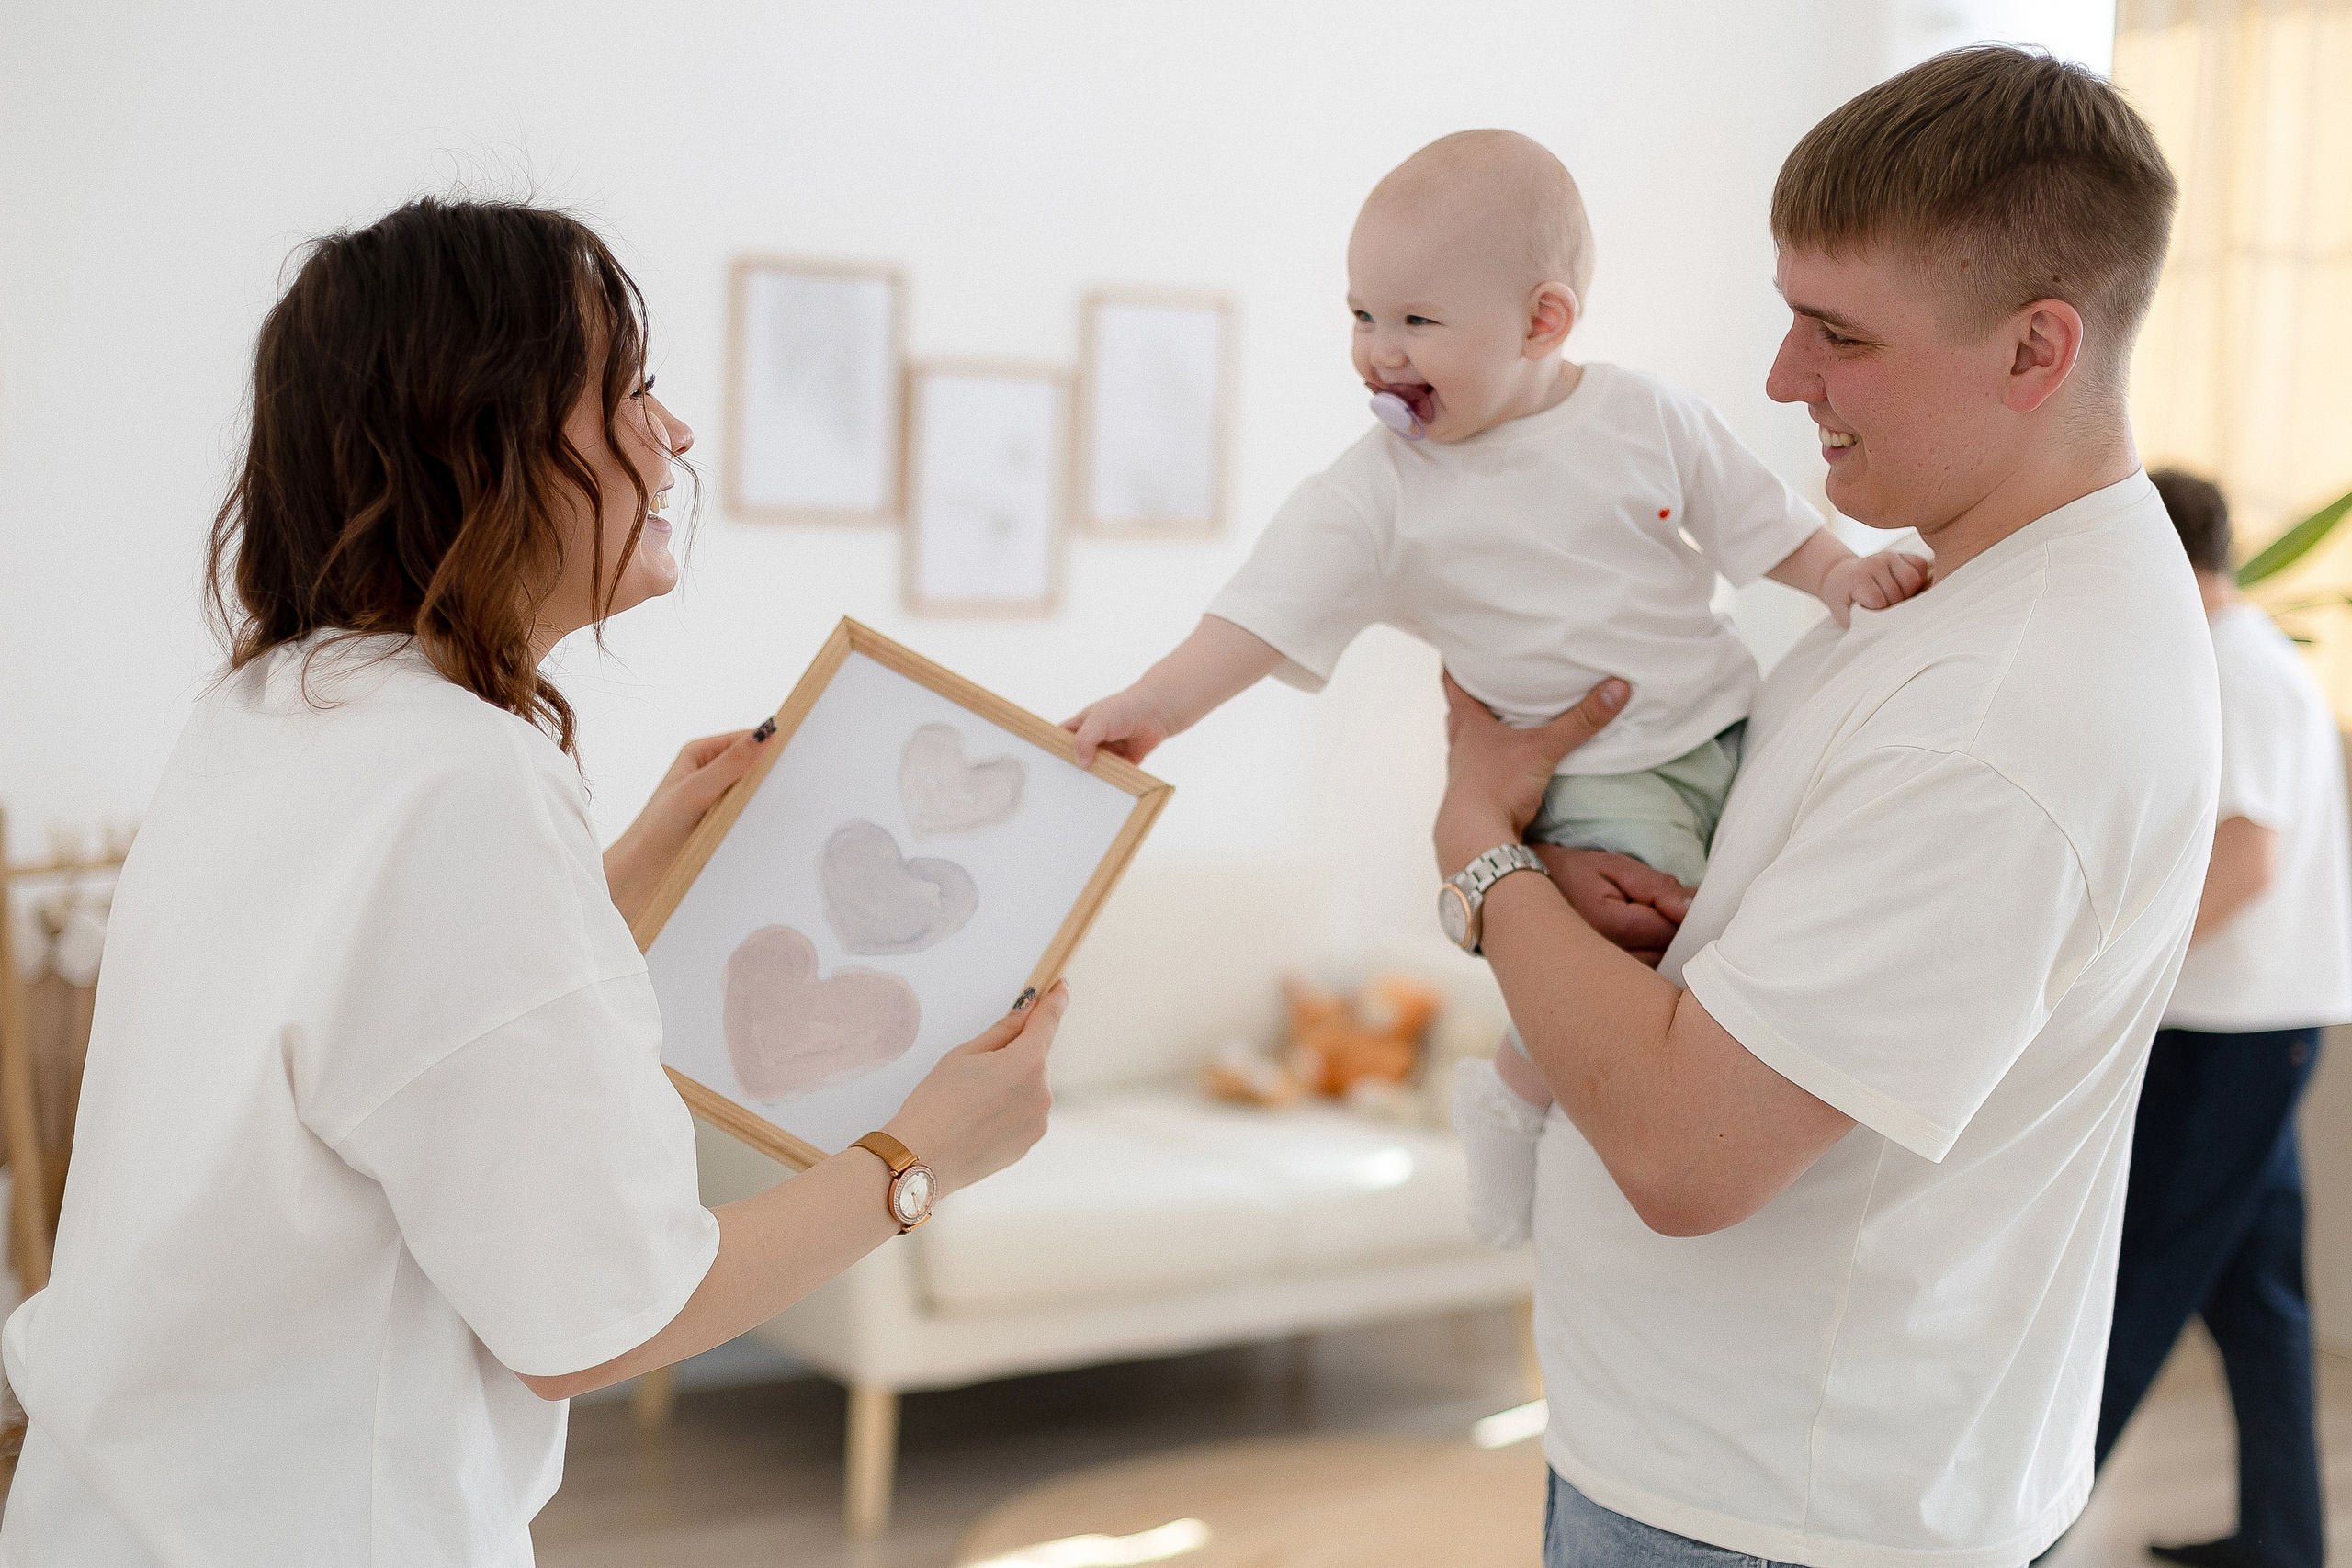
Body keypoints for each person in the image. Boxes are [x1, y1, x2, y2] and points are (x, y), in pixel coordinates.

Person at [0, 198, 1066, 1567]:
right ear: (475, 431)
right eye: (624, 389)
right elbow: (601, 1315)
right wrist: (919, 1156)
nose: (673, 433)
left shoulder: (276, 707)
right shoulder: (463, 781)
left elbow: (388, 1043)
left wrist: (623, 868)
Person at [1429, 45, 2218, 1568]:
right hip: (1734, 1464)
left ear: (2036, 350)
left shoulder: (2006, 717)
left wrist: (1475, 845)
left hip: (1774, 1512)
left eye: (1839, 334)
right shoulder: (1950, 590)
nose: (1785, 378)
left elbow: (1685, 1151)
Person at [1066, 130, 1928, 896]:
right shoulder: (1379, 489)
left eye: (1416, 319)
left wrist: (1837, 575)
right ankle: (1537, 1074)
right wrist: (1156, 704)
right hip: (1587, 781)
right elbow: (1258, 613)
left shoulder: (1646, 415)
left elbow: (1756, 515)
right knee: (1666, 940)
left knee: (1775, 902)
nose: (1379, 350)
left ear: (1542, 321)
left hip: (1733, 725)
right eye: (1362, 315)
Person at [2092, 469, 2349, 1568]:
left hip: (2226, 1034)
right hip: (2253, 1026)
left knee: (2141, 1281)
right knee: (2257, 1301)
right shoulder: (2249, 660)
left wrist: (2102, 972)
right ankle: (2283, 1539)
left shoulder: (2236, 672)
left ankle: (2012, 1528)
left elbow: (2244, 860)